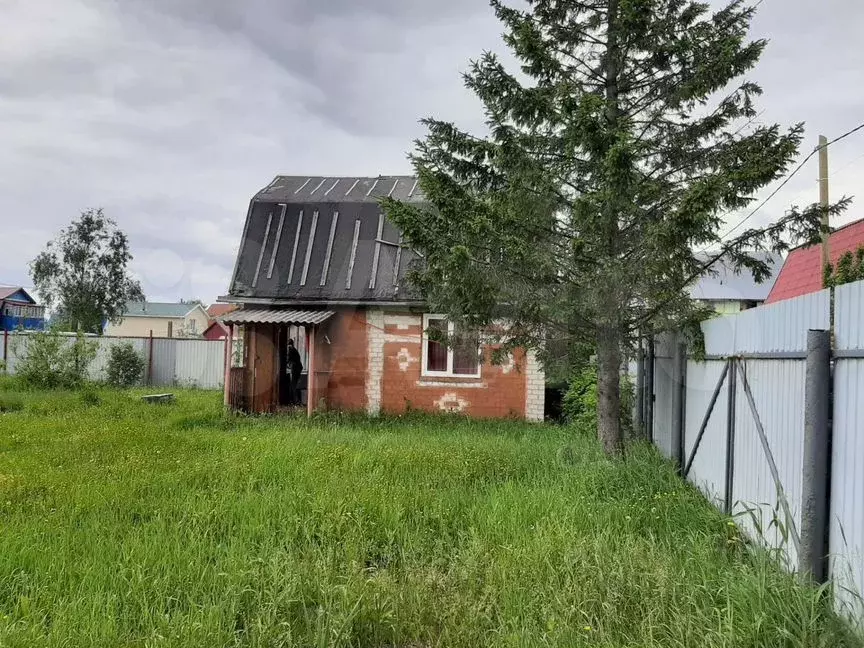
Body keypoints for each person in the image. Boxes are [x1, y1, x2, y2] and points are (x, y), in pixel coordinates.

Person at [287, 338, 303, 406]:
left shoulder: (291, 349)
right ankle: (295, 401)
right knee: (294, 385)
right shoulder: (294, 349)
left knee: (293, 385)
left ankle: (295, 401)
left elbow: (288, 359)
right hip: (298, 368)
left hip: (295, 369)